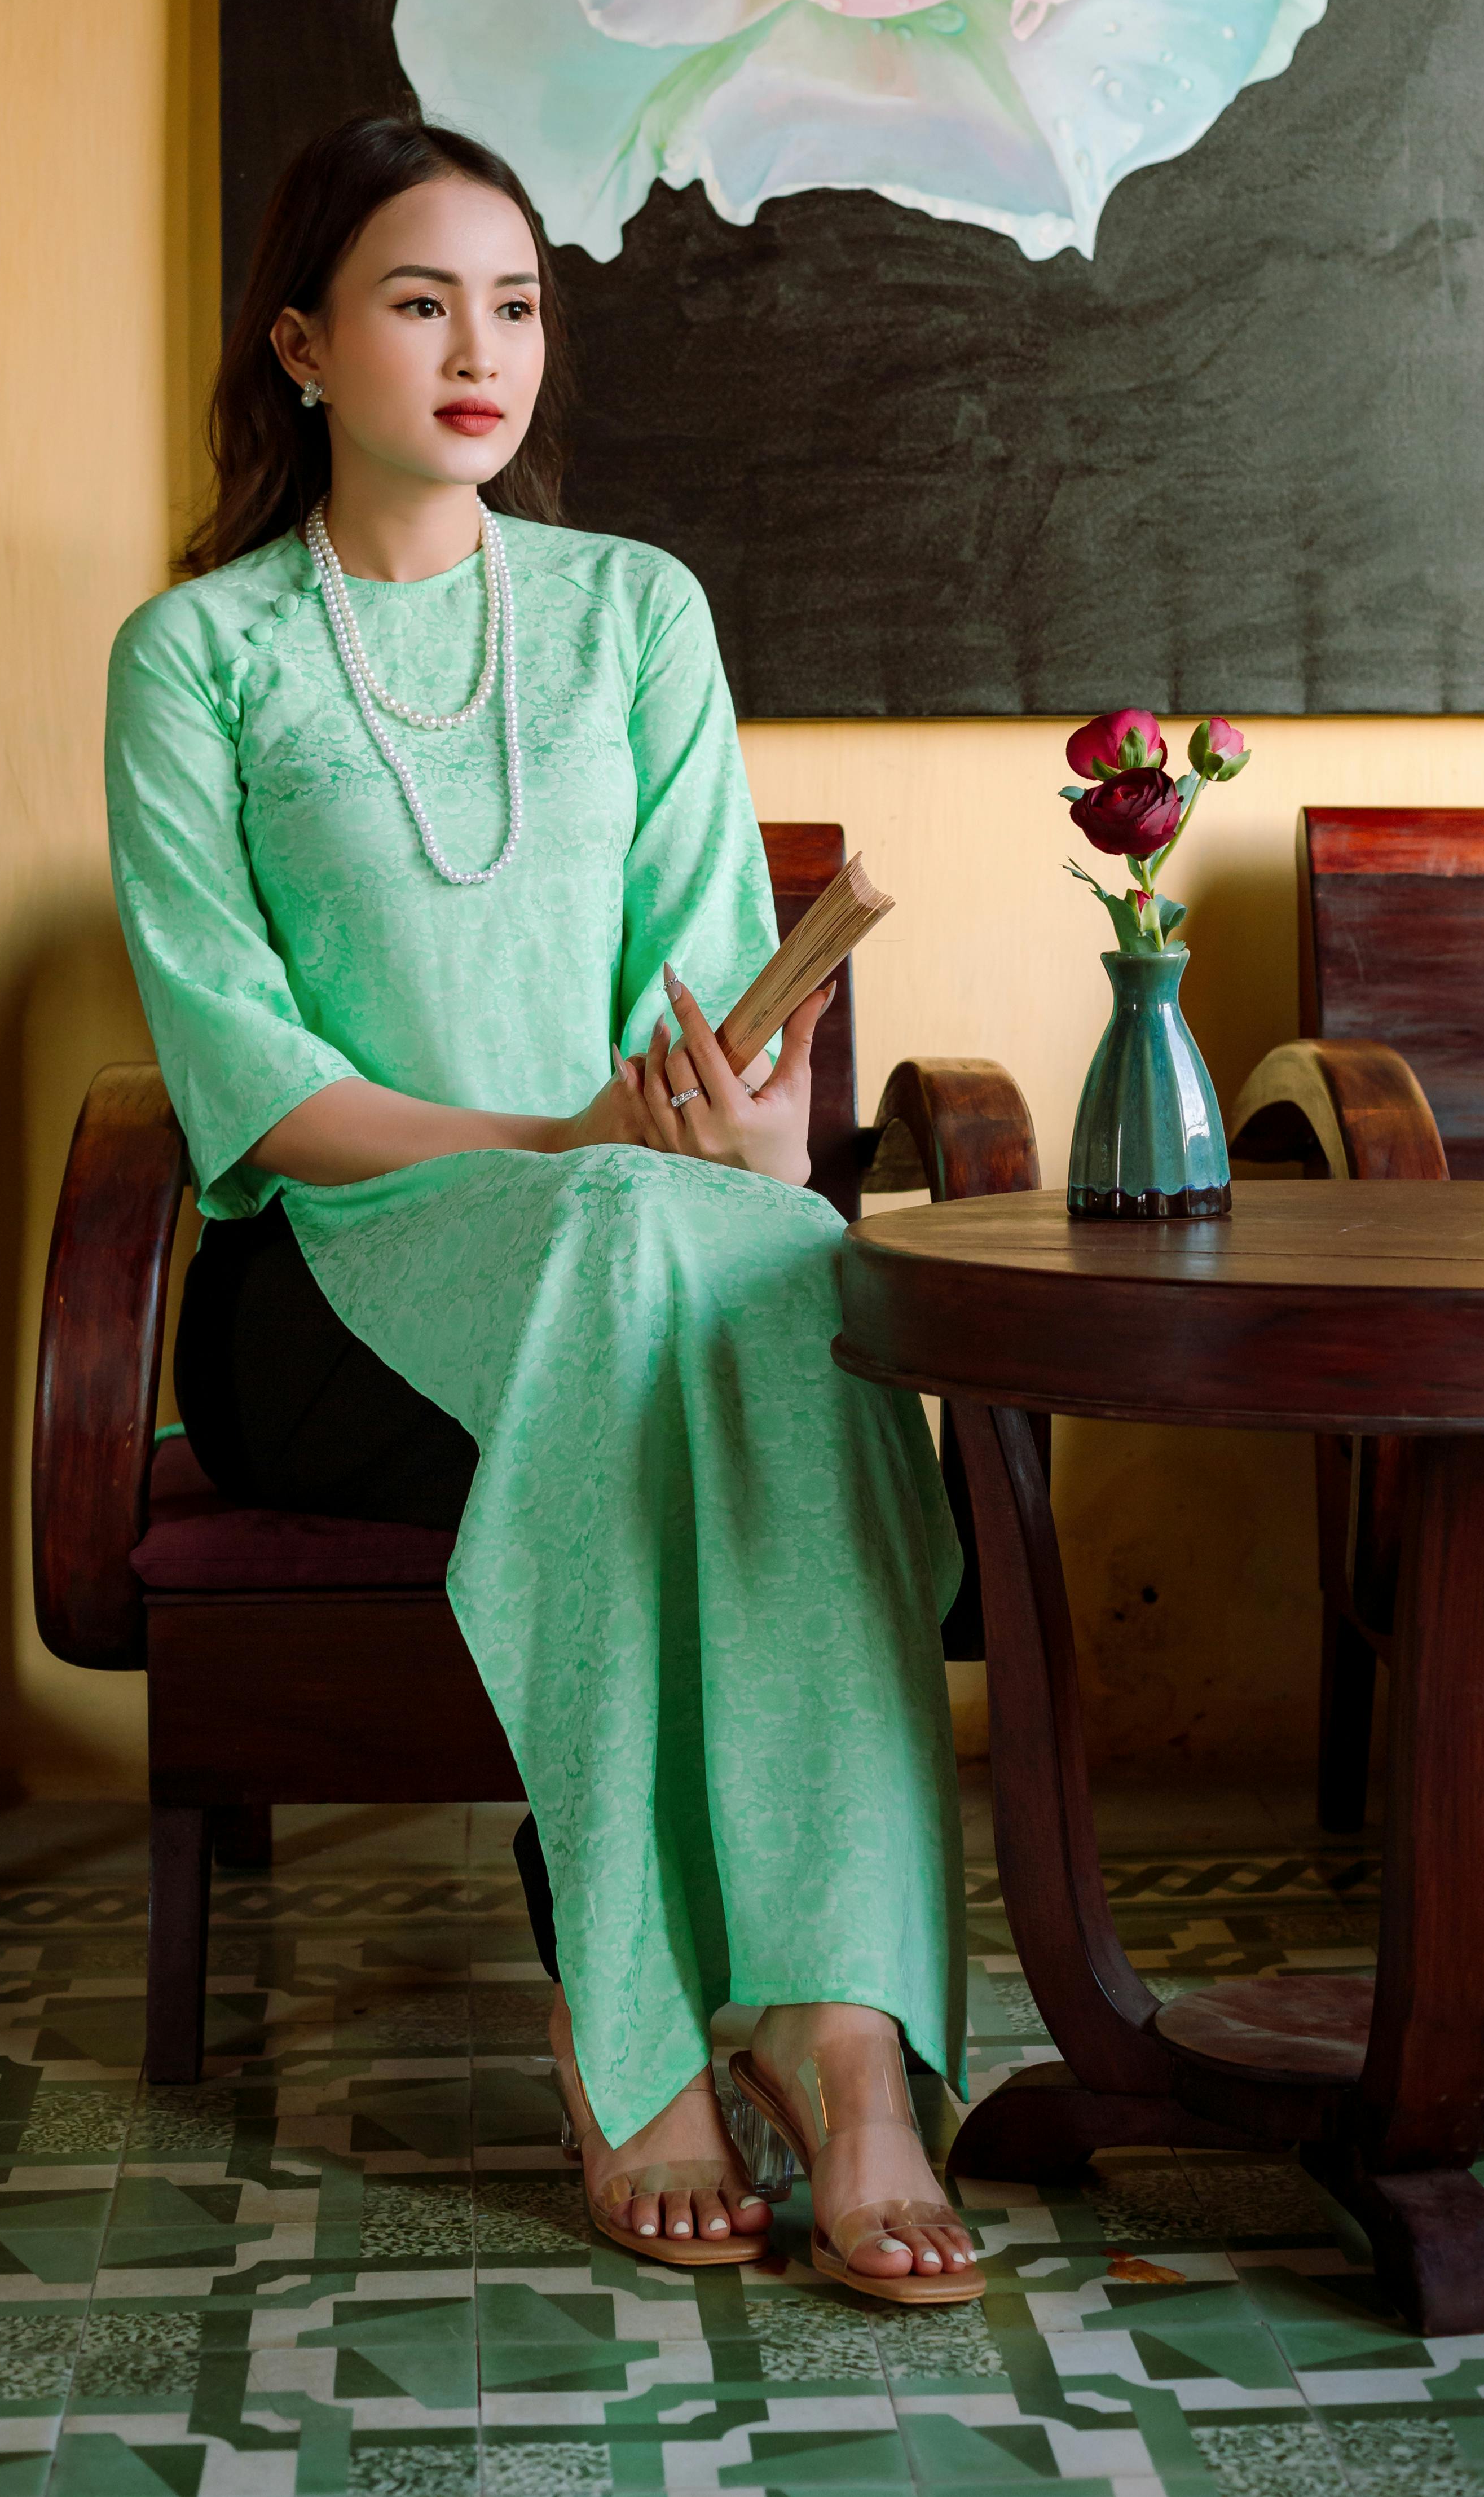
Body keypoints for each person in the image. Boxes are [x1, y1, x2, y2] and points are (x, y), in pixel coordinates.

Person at [104, 113, 980, 2307]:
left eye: (514, 302)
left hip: (639, 1242)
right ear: (303, 345)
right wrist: (570, 1144)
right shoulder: (198, 656)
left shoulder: (633, 612)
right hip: (332, 1288)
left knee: (791, 1262)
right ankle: (648, 2011)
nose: (481, 349)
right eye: (421, 302)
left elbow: (721, 1015)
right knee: (645, 1253)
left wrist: (735, 1135)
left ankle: (835, 2028)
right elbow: (247, 1082)